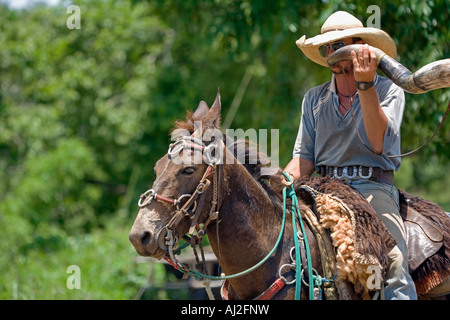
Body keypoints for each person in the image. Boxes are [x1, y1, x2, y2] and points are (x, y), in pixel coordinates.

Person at [284, 11, 418, 300]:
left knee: (391, 261)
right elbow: (303, 159)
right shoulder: (314, 98)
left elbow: (378, 143)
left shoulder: (388, 89)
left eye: (338, 45)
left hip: (373, 187)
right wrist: (278, 184)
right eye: (327, 48)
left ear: (359, 46)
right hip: (322, 189)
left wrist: (365, 84)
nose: (332, 53)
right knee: (285, 246)